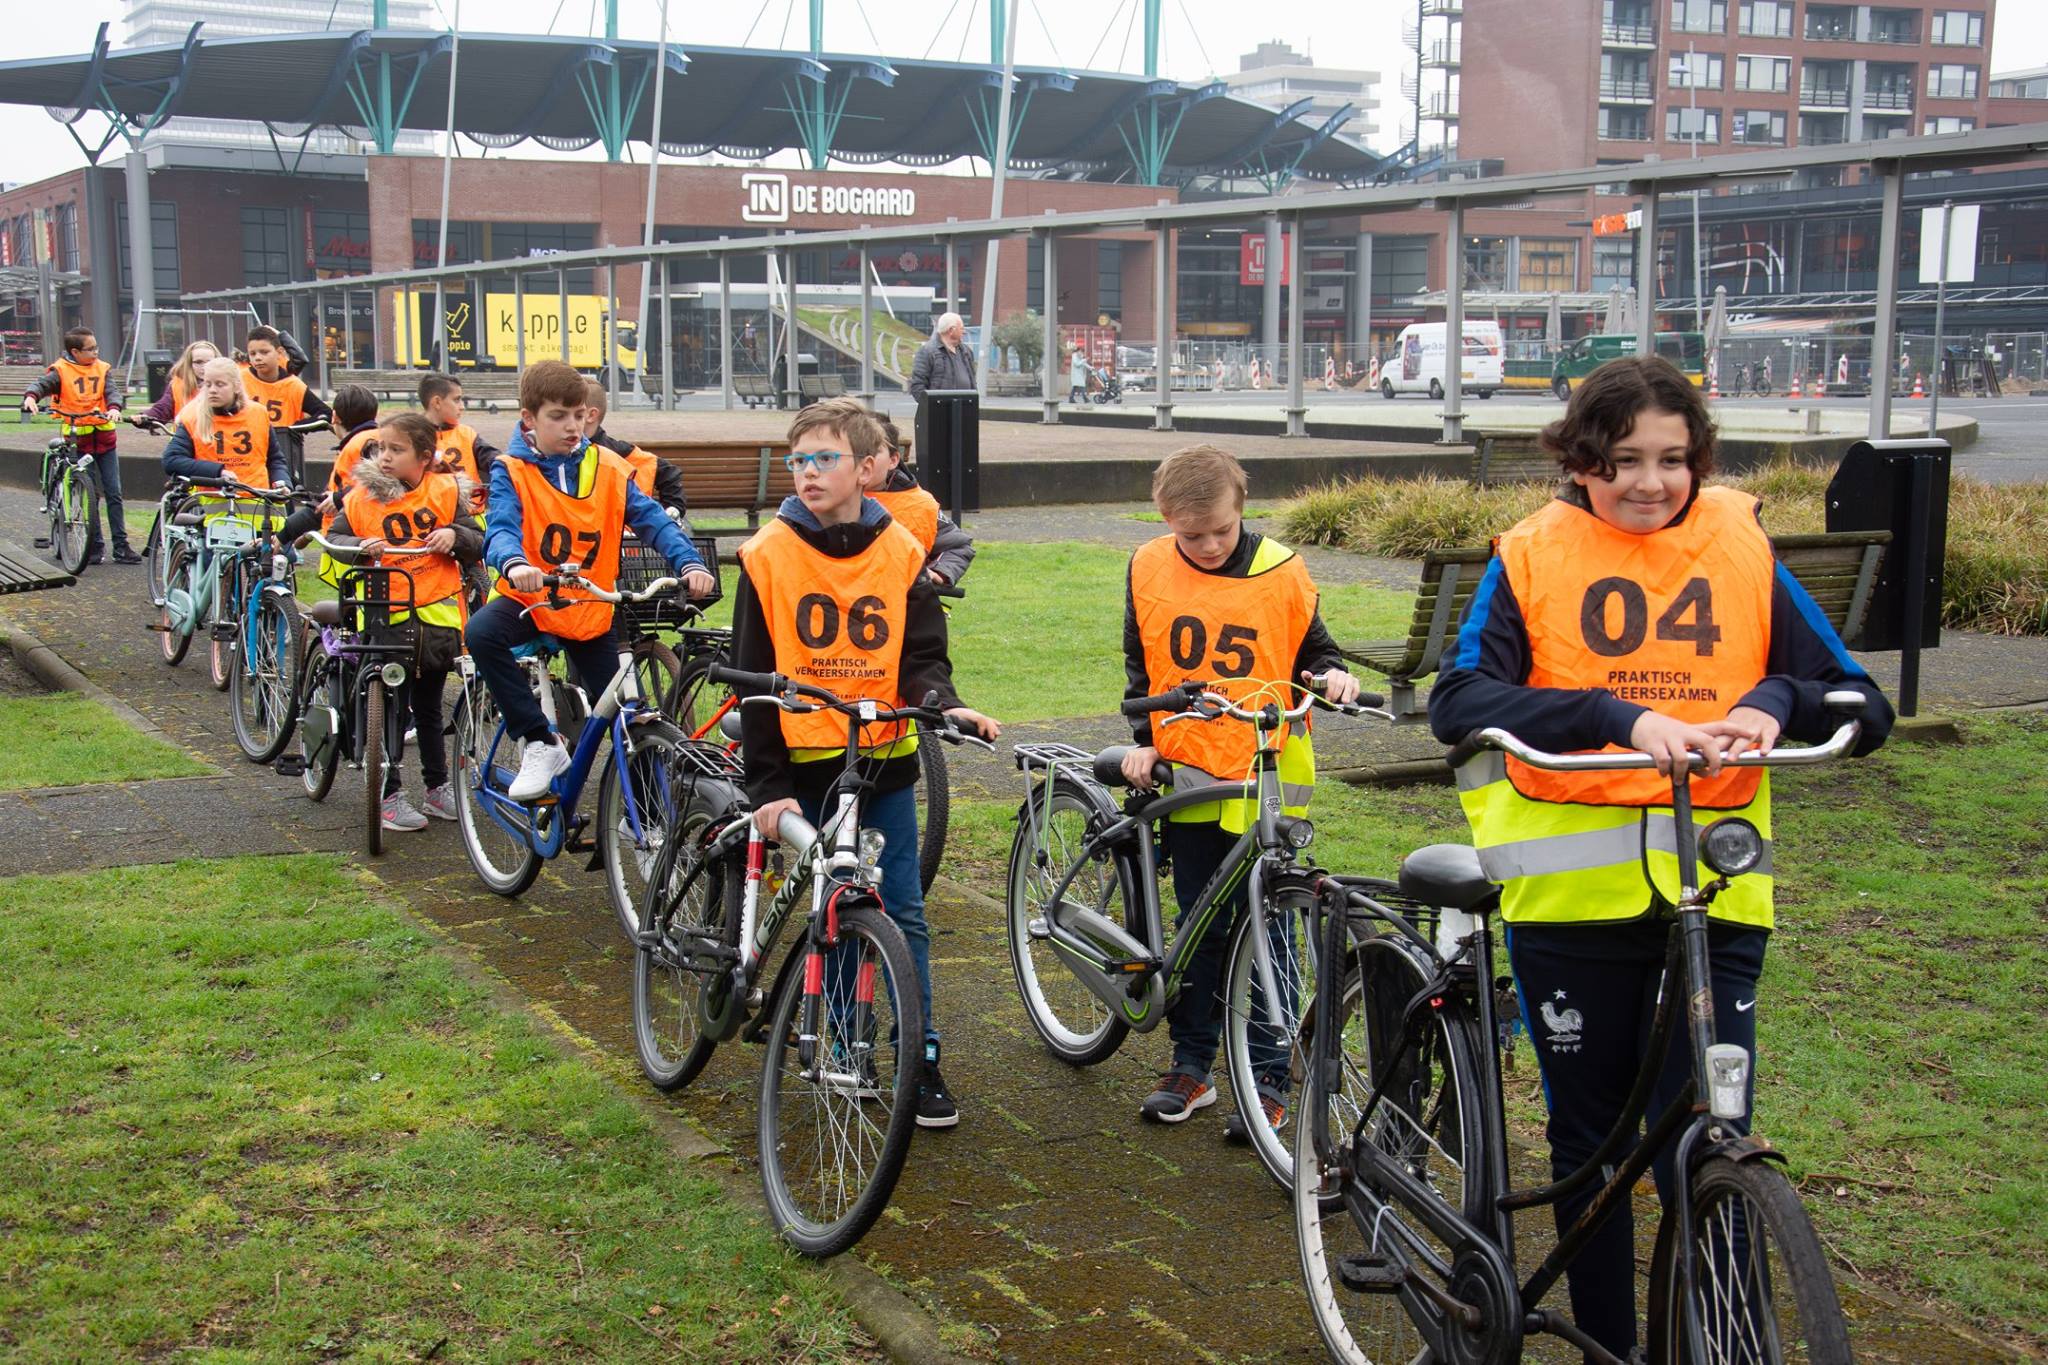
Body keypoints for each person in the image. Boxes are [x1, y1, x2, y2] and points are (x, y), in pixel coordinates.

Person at [1428, 355, 1894, 1362]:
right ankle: (1609, 1345)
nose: (1648, 482)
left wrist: (1771, 702)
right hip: (1570, 898)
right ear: (1577, 460)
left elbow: (1860, 701)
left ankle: (1717, 1338)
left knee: (1706, 1133)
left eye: (1672, 460)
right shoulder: (1530, 556)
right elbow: (1456, 702)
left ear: (1699, 462)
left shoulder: (1737, 548)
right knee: (1589, 1147)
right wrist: (1612, 716)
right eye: (1620, 459)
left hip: (1715, 897)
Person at [728, 395, 1001, 1129]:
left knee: (899, 912)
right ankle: (848, 1044)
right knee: (832, 908)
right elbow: (752, 680)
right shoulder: (768, 553)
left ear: (867, 468)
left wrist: (944, 704)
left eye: (825, 458)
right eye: (798, 460)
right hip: (805, 766)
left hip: (881, 761)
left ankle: (920, 1052)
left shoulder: (903, 552)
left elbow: (920, 660)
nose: (808, 472)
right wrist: (768, 787)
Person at [1118, 444, 1359, 1137]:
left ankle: (1268, 1077)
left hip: (1264, 776)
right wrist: (1143, 734)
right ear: (1167, 521)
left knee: (1272, 929)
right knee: (1198, 923)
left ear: (1241, 508)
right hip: (1191, 769)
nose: (1210, 544)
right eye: (1191, 535)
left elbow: (1315, 648)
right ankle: (1192, 1063)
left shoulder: (1281, 569)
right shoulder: (1146, 565)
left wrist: (1332, 675)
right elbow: (1144, 661)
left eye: (1221, 530)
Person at [466, 360, 716, 801]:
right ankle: (540, 741)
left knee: (629, 718)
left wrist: (689, 564)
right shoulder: (512, 469)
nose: (572, 426)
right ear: (529, 419)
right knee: (482, 633)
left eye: (578, 415)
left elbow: (653, 519)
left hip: (591, 609)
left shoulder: (608, 465)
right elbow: (501, 527)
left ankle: (650, 821)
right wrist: (513, 563)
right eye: (558, 416)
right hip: (533, 599)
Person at [276, 411, 480, 831]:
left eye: (395, 449)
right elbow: (334, 540)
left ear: (424, 457)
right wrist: (359, 545)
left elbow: (477, 540)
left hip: (437, 619)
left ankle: (438, 788)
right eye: (380, 448)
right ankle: (388, 792)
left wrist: (454, 537)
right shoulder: (361, 497)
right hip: (385, 617)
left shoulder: (445, 492)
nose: (384, 456)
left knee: (428, 708)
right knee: (388, 706)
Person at [22, 327, 135, 564]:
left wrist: (114, 408)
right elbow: (42, 385)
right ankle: (94, 547)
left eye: (96, 347)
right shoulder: (61, 371)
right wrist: (31, 397)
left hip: (105, 441)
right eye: (91, 349)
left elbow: (112, 392)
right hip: (78, 443)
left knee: (114, 493)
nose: (96, 352)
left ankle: (121, 546)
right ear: (75, 351)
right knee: (90, 495)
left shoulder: (102, 369)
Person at [867, 415, 975, 586]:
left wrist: (939, 572)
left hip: (905, 605)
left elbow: (957, 546)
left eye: (871, 451)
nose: (864, 460)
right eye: (853, 452)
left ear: (893, 460)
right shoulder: (826, 500)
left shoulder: (919, 505)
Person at [160, 356, 285, 490]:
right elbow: (171, 460)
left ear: (236, 387)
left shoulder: (259, 414)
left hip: (259, 498)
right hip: (215, 499)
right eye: (208, 384)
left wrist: (282, 482)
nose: (212, 390)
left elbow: (275, 459)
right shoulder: (193, 418)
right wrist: (218, 472)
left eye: (220, 384)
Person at [581, 376, 689, 522]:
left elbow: (666, 471)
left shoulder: (620, 454)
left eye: (572, 413)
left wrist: (672, 510)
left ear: (591, 415)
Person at [243, 325, 331, 484]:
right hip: (248, 453)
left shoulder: (294, 386)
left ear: (280, 353)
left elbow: (325, 413)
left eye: (264, 352)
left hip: (285, 451)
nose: (257, 358)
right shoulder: (240, 381)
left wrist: (298, 427)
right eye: (253, 353)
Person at [418, 372, 498, 515]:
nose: (462, 407)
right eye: (457, 400)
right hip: (432, 519)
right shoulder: (413, 437)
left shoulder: (467, 434)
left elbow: (494, 460)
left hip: (472, 518)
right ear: (437, 402)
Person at [322, 384, 381, 523]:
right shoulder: (378, 438)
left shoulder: (359, 444)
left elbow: (379, 483)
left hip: (355, 530)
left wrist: (339, 498)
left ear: (335, 417)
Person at [133, 340, 220, 429]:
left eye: (209, 362)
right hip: (184, 438)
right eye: (198, 362)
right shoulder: (177, 385)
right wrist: (144, 417)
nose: (204, 366)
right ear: (189, 364)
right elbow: (163, 409)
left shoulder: (227, 386)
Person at [908, 311, 976, 405]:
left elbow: (972, 381)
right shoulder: (927, 352)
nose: (963, 332)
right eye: (961, 328)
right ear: (951, 330)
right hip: (938, 414)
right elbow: (917, 386)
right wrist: (931, 407)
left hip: (964, 412)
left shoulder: (967, 352)